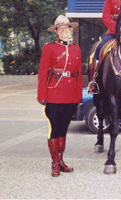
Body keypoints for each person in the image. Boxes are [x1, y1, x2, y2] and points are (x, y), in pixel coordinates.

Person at [37, 15, 83, 177]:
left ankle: (61, 160)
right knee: (55, 129)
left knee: (64, 128)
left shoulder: (76, 49)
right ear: (56, 31)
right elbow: (43, 72)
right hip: (54, 93)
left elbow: (78, 74)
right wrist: (42, 95)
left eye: (67, 28)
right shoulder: (49, 48)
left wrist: (78, 96)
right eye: (61, 28)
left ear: (71, 30)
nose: (64, 31)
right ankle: (54, 163)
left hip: (70, 95)